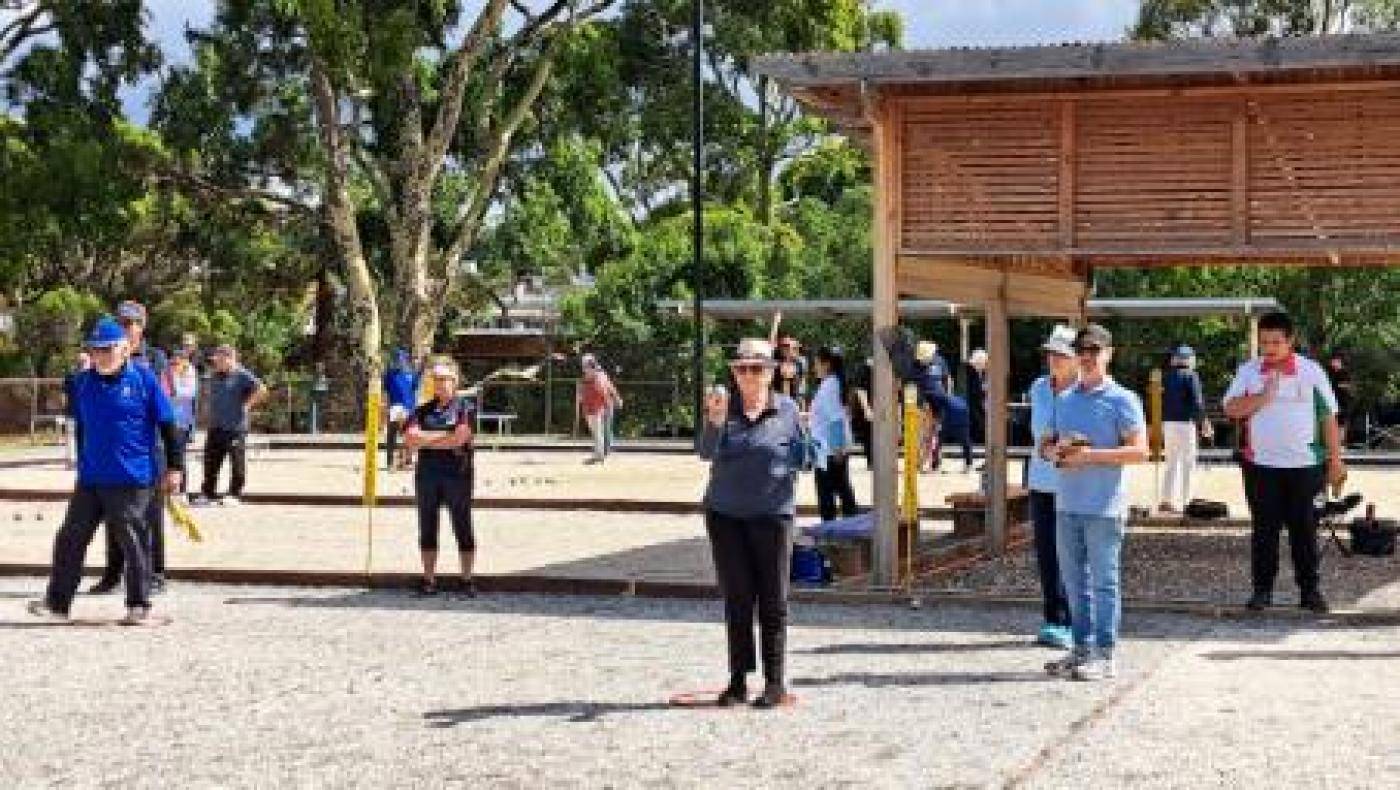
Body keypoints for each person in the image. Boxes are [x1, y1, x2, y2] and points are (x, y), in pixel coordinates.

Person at [27, 316, 183, 625]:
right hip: (91, 478)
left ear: (124, 349)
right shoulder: (82, 383)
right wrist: (81, 461)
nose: (101, 355)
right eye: (96, 349)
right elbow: (80, 425)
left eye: (108, 349)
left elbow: (168, 425)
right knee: (70, 538)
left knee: (133, 541)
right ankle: (57, 603)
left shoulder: (144, 380)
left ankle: (139, 606)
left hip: (132, 477)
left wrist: (175, 467)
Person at [698, 338, 807, 709]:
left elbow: (804, 457)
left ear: (770, 373)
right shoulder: (722, 407)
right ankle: (738, 681)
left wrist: (808, 451)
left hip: (773, 514)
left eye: (756, 369)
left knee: (774, 601)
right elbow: (705, 452)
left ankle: (774, 683)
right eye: (741, 368)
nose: (748, 375)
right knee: (738, 599)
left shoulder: (788, 409)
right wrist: (714, 423)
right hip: (726, 516)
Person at [1041, 324, 1148, 682]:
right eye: (1081, 352)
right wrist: (1054, 452)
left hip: (1105, 507)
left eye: (1094, 352)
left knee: (1104, 583)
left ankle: (1105, 654)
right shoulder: (1064, 399)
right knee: (1074, 583)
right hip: (1067, 504)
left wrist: (1090, 456)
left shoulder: (1124, 399)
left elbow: (1140, 451)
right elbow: (1046, 443)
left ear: (1108, 354)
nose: (1087, 358)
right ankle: (1081, 649)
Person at [1224, 312, 1345, 614]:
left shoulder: (1311, 371)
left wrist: (1336, 461)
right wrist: (1262, 398)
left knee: (1305, 530)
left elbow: (1328, 418)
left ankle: (1310, 591)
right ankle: (1262, 591)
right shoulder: (1248, 371)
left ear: (1291, 340)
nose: (1269, 348)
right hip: (1261, 466)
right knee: (1264, 531)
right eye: (1264, 342)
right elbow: (1231, 409)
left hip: (1306, 466)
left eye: (1276, 342)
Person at [91, 300, 172, 595]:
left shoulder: (155, 358)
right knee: (114, 515)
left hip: (148, 451)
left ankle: (155, 573)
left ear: (141, 327)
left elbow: (160, 400)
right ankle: (113, 574)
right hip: (113, 451)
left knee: (150, 516)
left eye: (129, 323)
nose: (124, 328)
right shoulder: (104, 355)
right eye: (120, 323)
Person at [403, 360, 478, 597]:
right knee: (427, 527)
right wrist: (445, 437)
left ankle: (466, 579)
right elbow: (410, 439)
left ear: (455, 381)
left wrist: (426, 439)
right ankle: (428, 580)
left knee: (462, 526)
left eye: (444, 379)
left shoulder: (465, 408)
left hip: (458, 475)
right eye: (435, 379)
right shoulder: (421, 410)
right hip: (427, 476)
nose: (440, 383)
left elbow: (460, 438)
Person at [1026, 324, 1079, 649]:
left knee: (1073, 554)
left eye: (1061, 354)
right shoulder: (1038, 387)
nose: (1054, 359)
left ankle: (1075, 621)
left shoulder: (1086, 391)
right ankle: (1054, 619)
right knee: (1047, 553)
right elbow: (1040, 431)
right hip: (1042, 481)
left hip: (1075, 482)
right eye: (1051, 353)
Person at [193, 344, 266, 506]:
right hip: (216, 426)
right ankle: (208, 493)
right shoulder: (214, 375)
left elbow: (262, 389)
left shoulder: (242, 374)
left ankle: (234, 494)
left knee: (237, 463)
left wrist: (247, 405)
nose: (216, 363)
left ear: (229, 359)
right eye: (215, 360)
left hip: (235, 427)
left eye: (219, 360)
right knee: (210, 462)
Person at [1160, 345, 1212, 514]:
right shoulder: (1191, 375)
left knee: (1171, 463)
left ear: (1175, 359)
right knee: (1188, 464)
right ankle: (1187, 501)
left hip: (1168, 423)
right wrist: (1204, 422)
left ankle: (1166, 500)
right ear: (1190, 359)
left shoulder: (1166, 377)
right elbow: (1197, 402)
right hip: (1185, 423)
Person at [810, 346, 858, 522]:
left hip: (829, 449)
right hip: (829, 448)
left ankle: (833, 528)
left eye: (816, 363)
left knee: (828, 493)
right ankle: (848, 524)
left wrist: (838, 449)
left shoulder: (829, 386)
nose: (814, 367)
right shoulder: (833, 383)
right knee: (841, 489)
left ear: (827, 364)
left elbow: (835, 418)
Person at [166, 349, 200, 494]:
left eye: (178, 361)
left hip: (181, 422)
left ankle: (181, 491)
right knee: (168, 456)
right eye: (173, 362)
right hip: (167, 420)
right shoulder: (167, 372)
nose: (175, 364)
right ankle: (169, 490)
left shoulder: (189, 373)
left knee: (178, 456)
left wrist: (173, 382)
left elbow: (189, 393)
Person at [577, 354, 622, 464]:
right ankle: (600, 454)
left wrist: (615, 399)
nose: (584, 368)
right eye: (584, 366)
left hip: (602, 407)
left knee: (602, 431)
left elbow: (608, 388)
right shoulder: (584, 379)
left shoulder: (600, 376)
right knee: (597, 432)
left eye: (586, 365)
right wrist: (581, 402)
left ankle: (601, 455)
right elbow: (581, 394)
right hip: (591, 408)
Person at [915, 341, 951, 472]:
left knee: (935, 431)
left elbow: (947, 379)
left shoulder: (940, 361)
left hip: (938, 401)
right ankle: (922, 460)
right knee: (922, 432)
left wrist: (947, 396)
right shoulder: (915, 364)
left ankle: (933, 460)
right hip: (922, 401)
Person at [383, 349, 420, 470]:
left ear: (406, 360)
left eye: (402, 359)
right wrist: (385, 407)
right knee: (392, 436)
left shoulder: (412, 374)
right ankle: (390, 462)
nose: (399, 361)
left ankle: (407, 461)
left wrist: (415, 407)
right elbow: (385, 392)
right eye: (397, 359)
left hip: (409, 408)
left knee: (409, 435)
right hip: (395, 408)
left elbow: (415, 390)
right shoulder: (390, 374)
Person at [61, 350, 92, 470]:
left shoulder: (73, 376)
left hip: (79, 412)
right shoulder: (90, 377)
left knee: (76, 437)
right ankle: (79, 460)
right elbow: (64, 396)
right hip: (79, 412)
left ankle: (76, 461)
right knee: (79, 437)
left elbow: (63, 396)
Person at [930, 391, 974, 474]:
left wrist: (937, 425)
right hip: (962, 423)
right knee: (966, 444)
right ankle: (969, 465)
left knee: (937, 443)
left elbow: (939, 415)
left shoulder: (942, 401)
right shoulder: (960, 400)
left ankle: (935, 466)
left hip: (949, 423)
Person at [848, 357, 875, 468]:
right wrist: (867, 409)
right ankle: (872, 461)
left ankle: (875, 461)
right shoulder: (865, 369)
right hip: (866, 407)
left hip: (879, 406)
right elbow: (860, 390)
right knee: (868, 433)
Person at [772, 335, 808, 406]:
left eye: (789, 346)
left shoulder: (800, 363)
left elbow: (801, 383)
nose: (786, 349)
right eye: (784, 346)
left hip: (794, 400)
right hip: (777, 400)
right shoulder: (775, 362)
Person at [967, 348, 989, 444]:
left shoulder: (982, 373)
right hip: (975, 404)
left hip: (981, 403)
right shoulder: (972, 373)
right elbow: (974, 391)